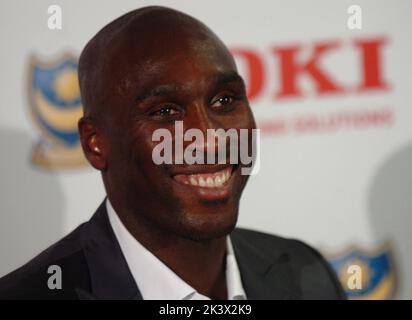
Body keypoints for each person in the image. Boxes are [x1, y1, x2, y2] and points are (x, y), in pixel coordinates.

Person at [0, 6, 345, 300]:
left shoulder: (306, 274)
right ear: (96, 143)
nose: (208, 139)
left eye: (224, 100)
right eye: (165, 112)